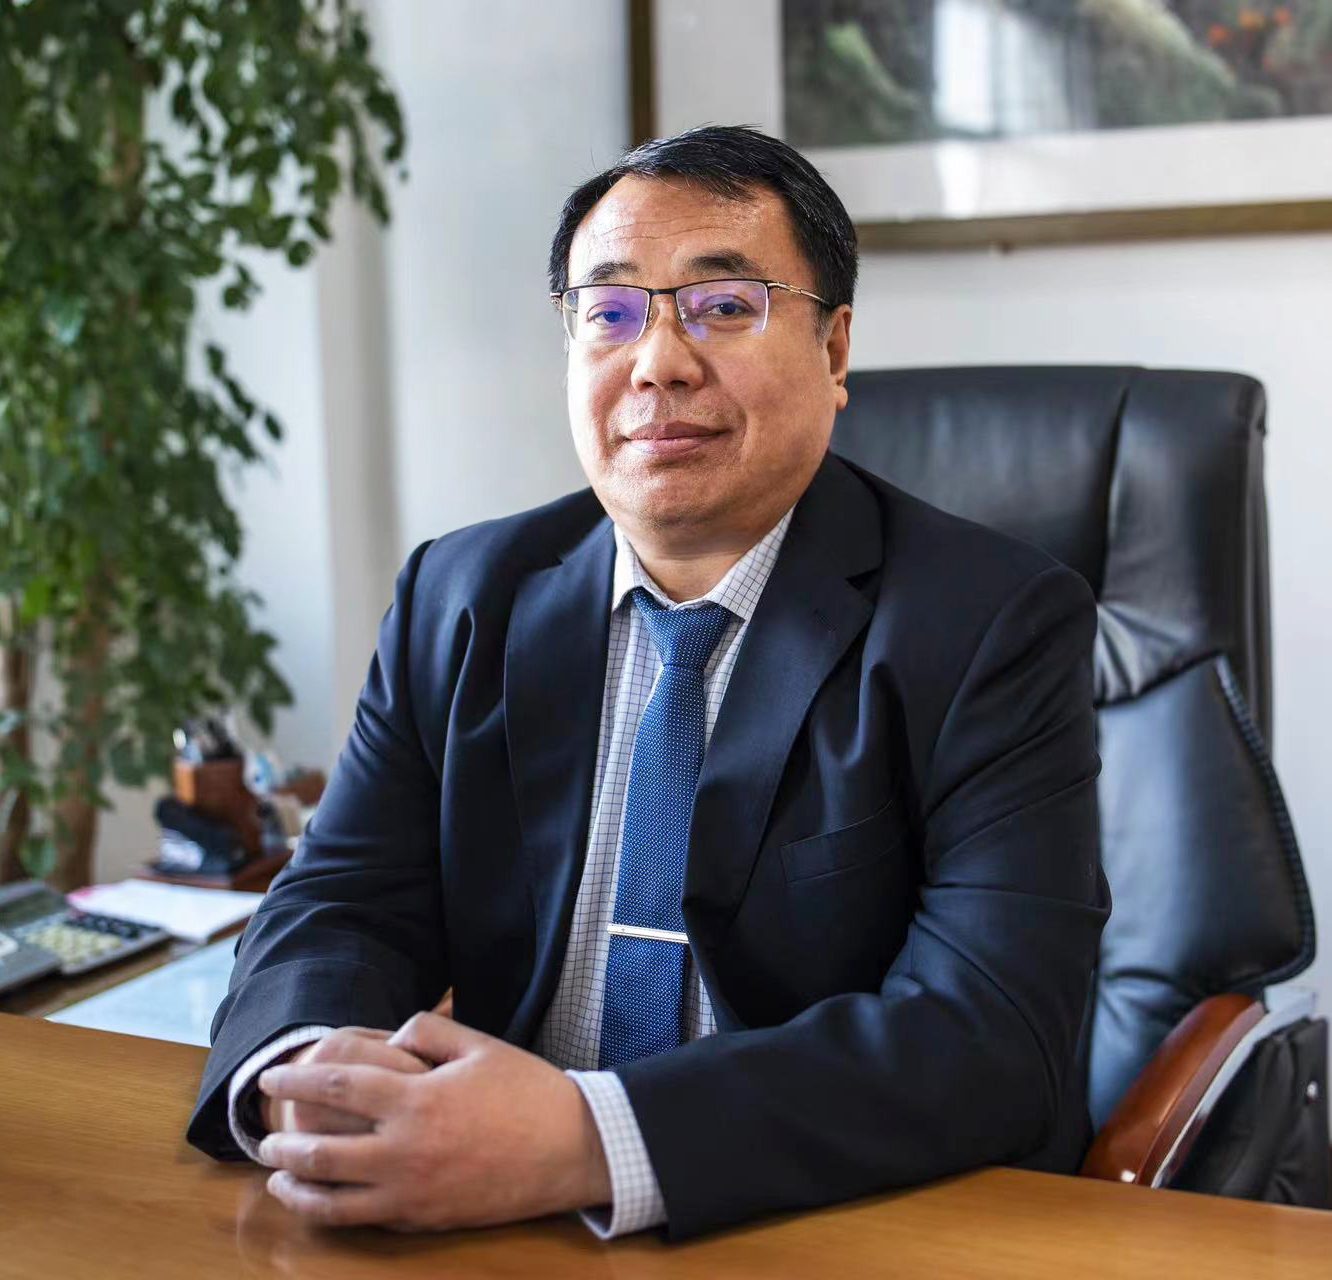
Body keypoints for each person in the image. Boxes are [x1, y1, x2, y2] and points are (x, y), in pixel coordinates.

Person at [187, 124, 1108, 1241]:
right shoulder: (461, 596)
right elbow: (341, 900)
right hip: (494, 1223)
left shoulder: (990, 623)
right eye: (611, 312)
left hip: (826, 1226)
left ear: (834, 349)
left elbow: (994, 1035)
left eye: (723, 306)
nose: (658, 362)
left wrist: (590, 1138)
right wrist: (303, 1073)